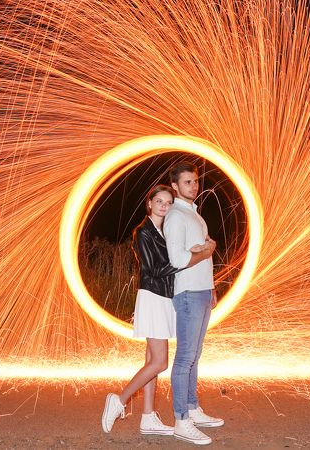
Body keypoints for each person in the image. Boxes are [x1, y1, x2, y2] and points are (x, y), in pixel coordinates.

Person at [102, 184, 215, 437]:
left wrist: (189, 253)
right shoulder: (143, 232)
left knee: (151, 361)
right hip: (152, 297)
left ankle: (148, 417)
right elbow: (156, 269)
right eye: (159, 201)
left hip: (164, 298)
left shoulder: (162, 231)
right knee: (161, 362)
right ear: (149, 203)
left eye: (168, 202)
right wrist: (190, 258)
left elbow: (170, 260)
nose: (164, 205)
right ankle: (118, 400)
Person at [163, 162, 225, 445]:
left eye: (195, 181)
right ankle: (181, 420)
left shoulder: (196, 216)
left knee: (195, 354)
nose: (194, 186)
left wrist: (211, 286)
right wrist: (205, 251)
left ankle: (192, 408)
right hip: (187, 293)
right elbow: (177, 261)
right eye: (187, 182)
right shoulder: (176, 216)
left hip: (201, 291)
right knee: (185, 357)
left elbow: (203, 252)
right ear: (175, 186)